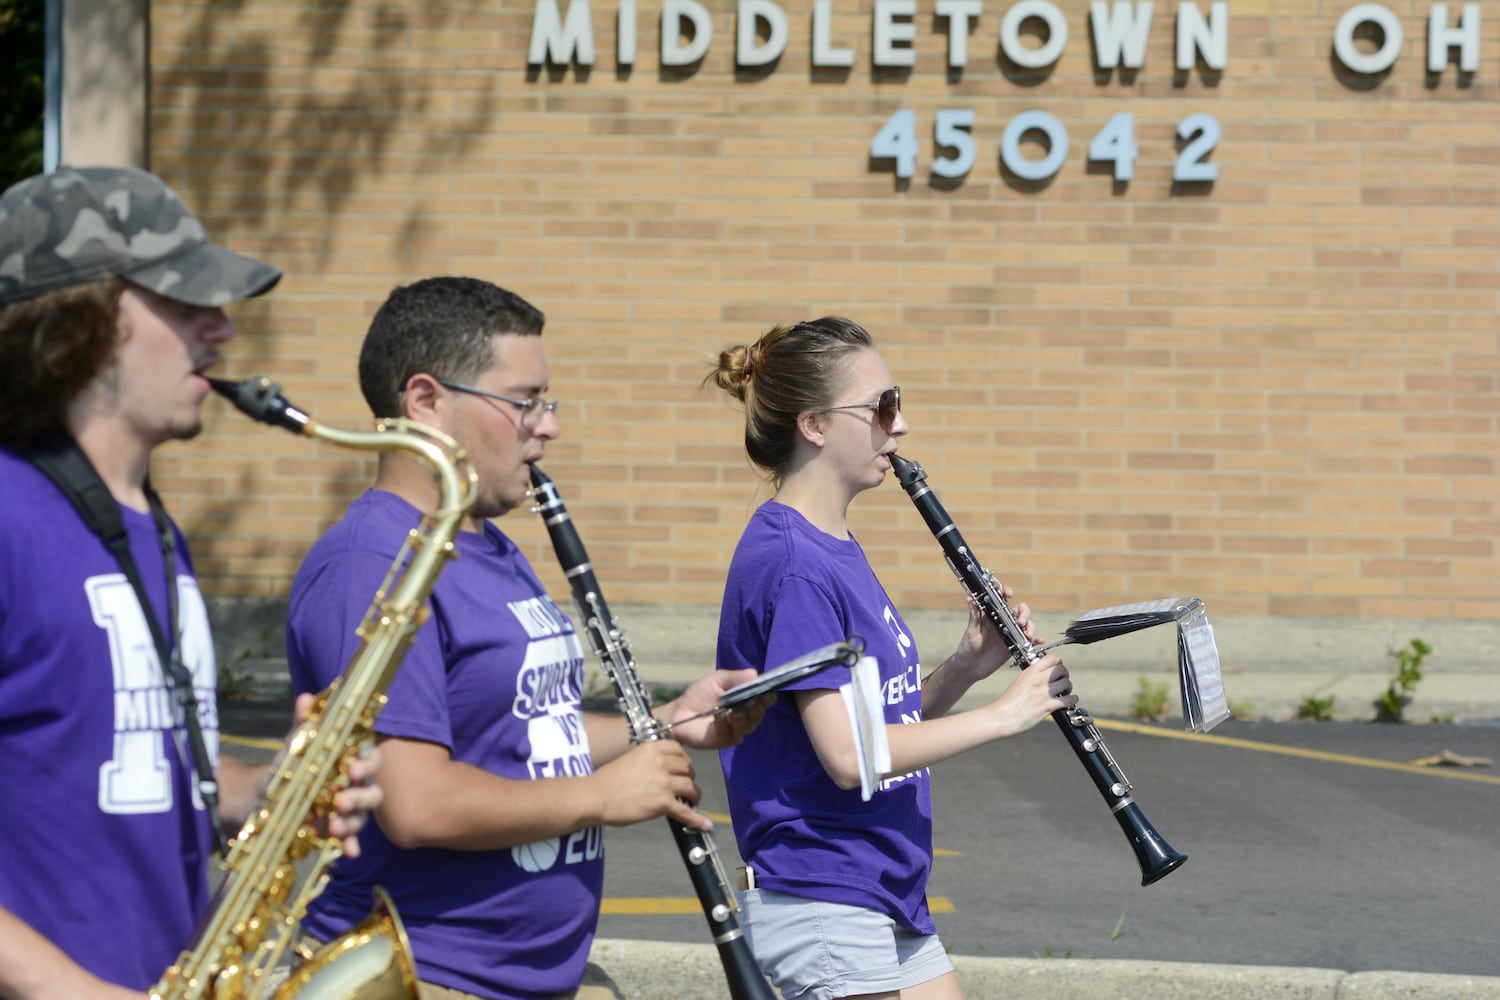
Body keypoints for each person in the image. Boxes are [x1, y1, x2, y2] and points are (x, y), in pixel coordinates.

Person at [285, 275, 772, 1000]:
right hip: (431, 976)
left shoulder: (487, 542)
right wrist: (602, 797)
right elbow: (416, 803)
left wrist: (669, 722)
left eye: (547, 402)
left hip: (530, 978)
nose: (547, 426)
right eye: (525, 402)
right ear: (426, 402)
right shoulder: (374, 562)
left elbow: (524, 730)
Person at [0, 165, 382, 999]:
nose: (220, 330)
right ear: (78, 322)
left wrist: (270, 787)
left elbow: (137, 770)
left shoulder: (150, 526)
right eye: (183, 300)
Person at [706, 316, 1078, 1000]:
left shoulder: (832, 547)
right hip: (822, 890)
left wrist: (966, 667)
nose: (899, 425)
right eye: (882, 406)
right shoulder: (794, 564)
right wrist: (1005, 716)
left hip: (881, 884)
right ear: (815, 424)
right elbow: (849, 757)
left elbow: (880, 721)